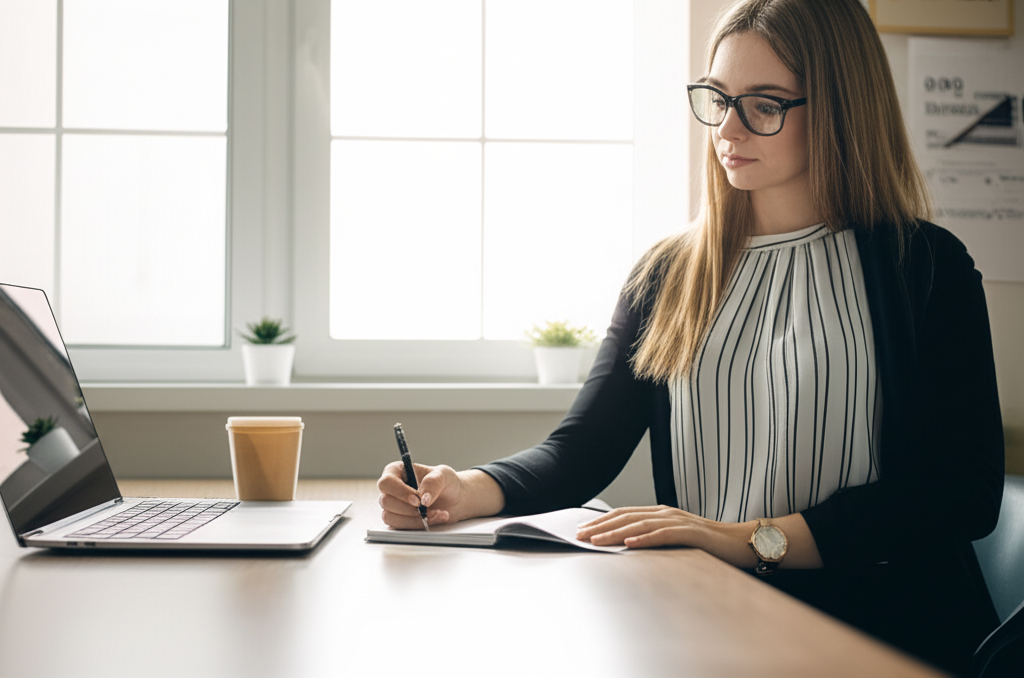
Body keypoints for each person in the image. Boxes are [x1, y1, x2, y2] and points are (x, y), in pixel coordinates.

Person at [376, 0, 1005, 674]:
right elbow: (581, 451)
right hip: (710, 614)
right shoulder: (667, 273)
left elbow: (963, 494)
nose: (727, 129)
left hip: (883, 627)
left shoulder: (926, 266)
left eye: (764, 105)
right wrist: (461, 490)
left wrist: (747, 540)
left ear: (841, 108)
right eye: (718, 99)